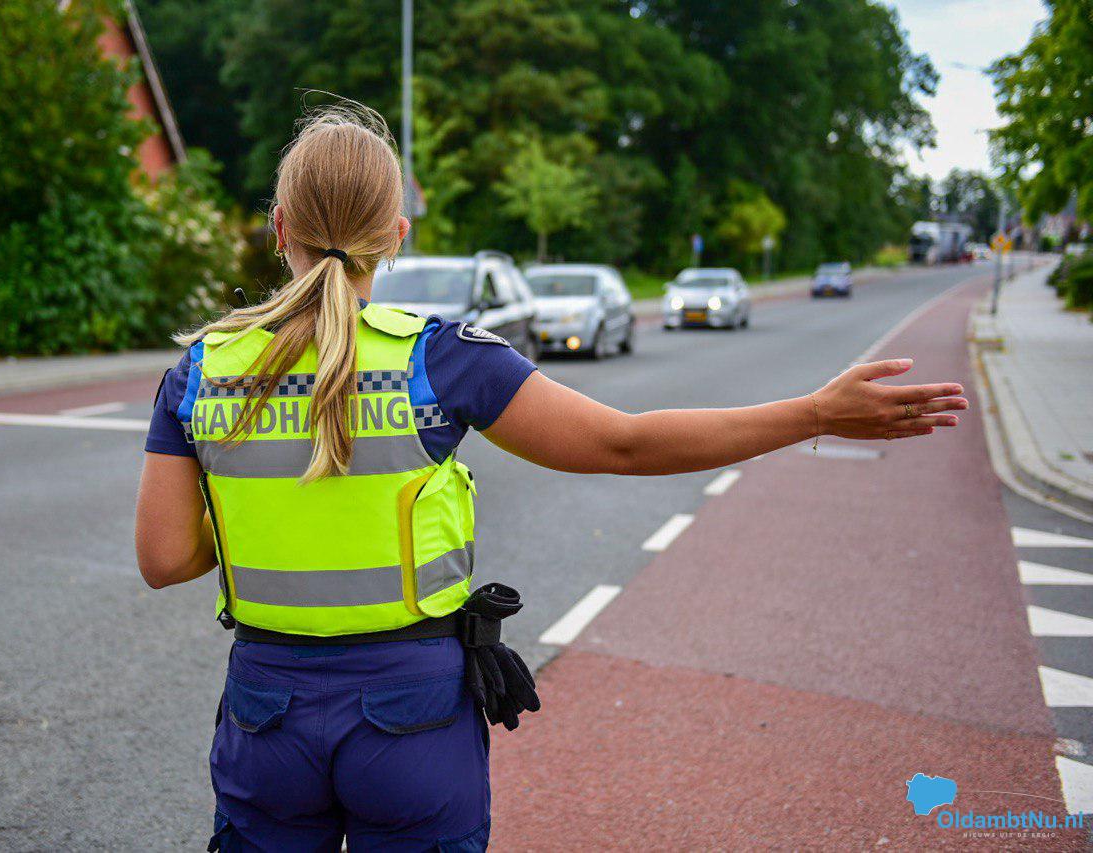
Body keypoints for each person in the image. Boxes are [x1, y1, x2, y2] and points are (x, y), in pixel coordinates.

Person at [134, 104, 967, 853]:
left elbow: (165, 558)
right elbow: (625, 445)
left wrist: (267, 504)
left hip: (267, 716)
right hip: (411, 720)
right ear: (396, 234)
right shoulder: (439, 359)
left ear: (279, 227)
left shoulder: (200, 371)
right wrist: (815, 412)